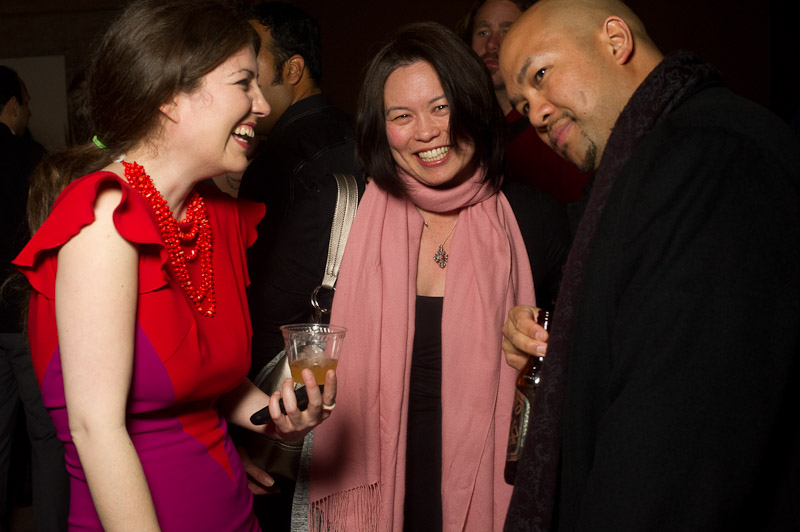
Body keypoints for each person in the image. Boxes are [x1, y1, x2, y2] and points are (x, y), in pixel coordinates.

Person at [12, 1, 337, 530]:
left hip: (235, 512)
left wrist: (281, 420)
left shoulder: (215, 215)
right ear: (169, 96)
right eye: (243, 83)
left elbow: (205, 384)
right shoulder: (104, 218)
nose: (261, 104)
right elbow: (97, 429)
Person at [498, 0, 800, 530]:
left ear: (616, 41)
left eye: (541, 76)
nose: (537, 114)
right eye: (523, 105)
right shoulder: (646, 170)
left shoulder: (707, 153)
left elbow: (675, 452)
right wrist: (558, 332)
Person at [305, 22, 570, 532]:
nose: (426, 132)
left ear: (473, 105)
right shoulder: (335, 214)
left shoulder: (536, 219)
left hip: (493, 488)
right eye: (402, 116)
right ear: (381, 129)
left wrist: (541, 345)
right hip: (372, 493)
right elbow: (267, 352)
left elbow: (582, 356)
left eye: (441, 107)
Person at [239, 1, 364, 371]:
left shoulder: (282, 159)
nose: (241, 76)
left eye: (250, 62)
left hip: (296, 363)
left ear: (292, 69)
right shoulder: (360, 133)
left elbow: (263, 303)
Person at [0, 65, 68, 532]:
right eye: (25, 103)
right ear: (12, 106)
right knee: (45, 434)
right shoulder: (32, 158)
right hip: (24, 315)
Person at [458, 0, 590, 205]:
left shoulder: (559, 126)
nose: (491, 44)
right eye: (483, 32)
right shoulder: (458, 129)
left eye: (507, 31)